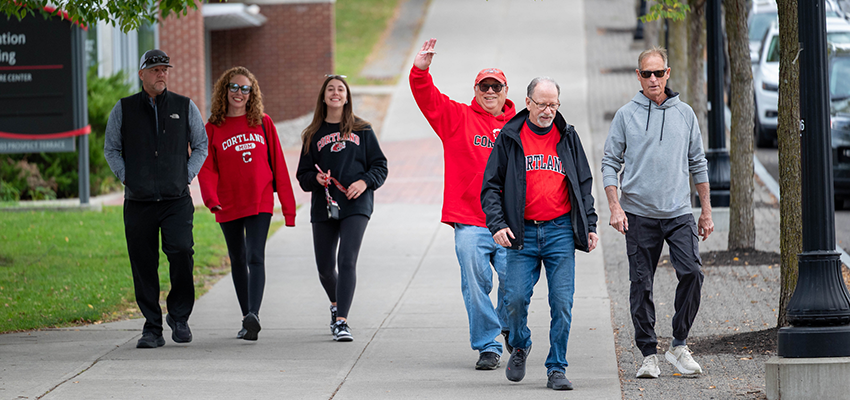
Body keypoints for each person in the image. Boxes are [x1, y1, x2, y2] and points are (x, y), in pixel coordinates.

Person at [601, 46, 714, 379]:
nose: (652, 79)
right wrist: (614, 206)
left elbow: (698, 163)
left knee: (692, 272)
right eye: (646, 74)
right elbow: (610, 162)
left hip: (679, 212)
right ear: (638, 76)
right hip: (638, 214)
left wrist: (705, 212)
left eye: (658, 72)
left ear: (668, 73)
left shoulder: (686, 114)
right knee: (641, 284)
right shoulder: (626, 115)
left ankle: (678, 345)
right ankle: (648, 354)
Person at [481, 77, 599, 391]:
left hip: (560, 231)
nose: (548, 111)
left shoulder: (568, 137)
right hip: (523, 233)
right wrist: (498, 224)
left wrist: (590, 225)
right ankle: (520, 344)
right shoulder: (510, 137)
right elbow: (491, 186)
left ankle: (557, 368)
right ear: (528, 102)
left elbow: (583, 184)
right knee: (515, 299)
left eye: (553, 105)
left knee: (562, 303)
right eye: (542, 104)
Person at [409, 38, 517, 370]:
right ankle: (488, 344)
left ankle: (511, 328)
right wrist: (420, 70)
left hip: (512, 222)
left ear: (504, 90)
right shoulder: (457, 118)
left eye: (495, 86)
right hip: (470, 219)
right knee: (476, 280)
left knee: (515, 284)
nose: (489, 91)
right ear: (475, 89)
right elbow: (428, 99)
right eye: (483, 86)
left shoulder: (520, 126)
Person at [104, 49, 208, 348]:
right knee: (143, 263)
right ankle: (152, 327)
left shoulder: (184, 106)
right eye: (154, 69)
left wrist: (185, 175)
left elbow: (200, 144)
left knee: (181, 252)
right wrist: (127, 177)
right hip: (138, 202)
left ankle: (179, 316)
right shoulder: (123, 109)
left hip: (176, 199)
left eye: (164, 69)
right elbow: (111, 148)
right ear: (142, 74)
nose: (161, 73)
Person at [198, 66, 297, 341]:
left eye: (245, 88)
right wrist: (211, 199)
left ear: (251, 93)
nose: (239, 93)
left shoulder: (263, 123)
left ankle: (254, 314)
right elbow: (207, 168)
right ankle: (247, 318)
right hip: (228, 202)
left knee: (255, 255)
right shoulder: (212, 128)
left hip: (259, 199)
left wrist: (288, 209)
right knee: (238, 259)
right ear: (224, 90)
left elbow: (278, 163)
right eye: (233, 87)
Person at [295, 75, 388, 342]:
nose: (335, 93)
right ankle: (336, 305)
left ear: (347, 97)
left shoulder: (363, 130)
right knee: (325, 268)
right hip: (324, 205)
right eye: (330, 89)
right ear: (323, 97)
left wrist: (364, 182)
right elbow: (302, 176)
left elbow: (380, 167)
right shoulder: (312, 134)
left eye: (340, 90)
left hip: (356, 204)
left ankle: (342, 321)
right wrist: (317, 179)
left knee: (346, 260)